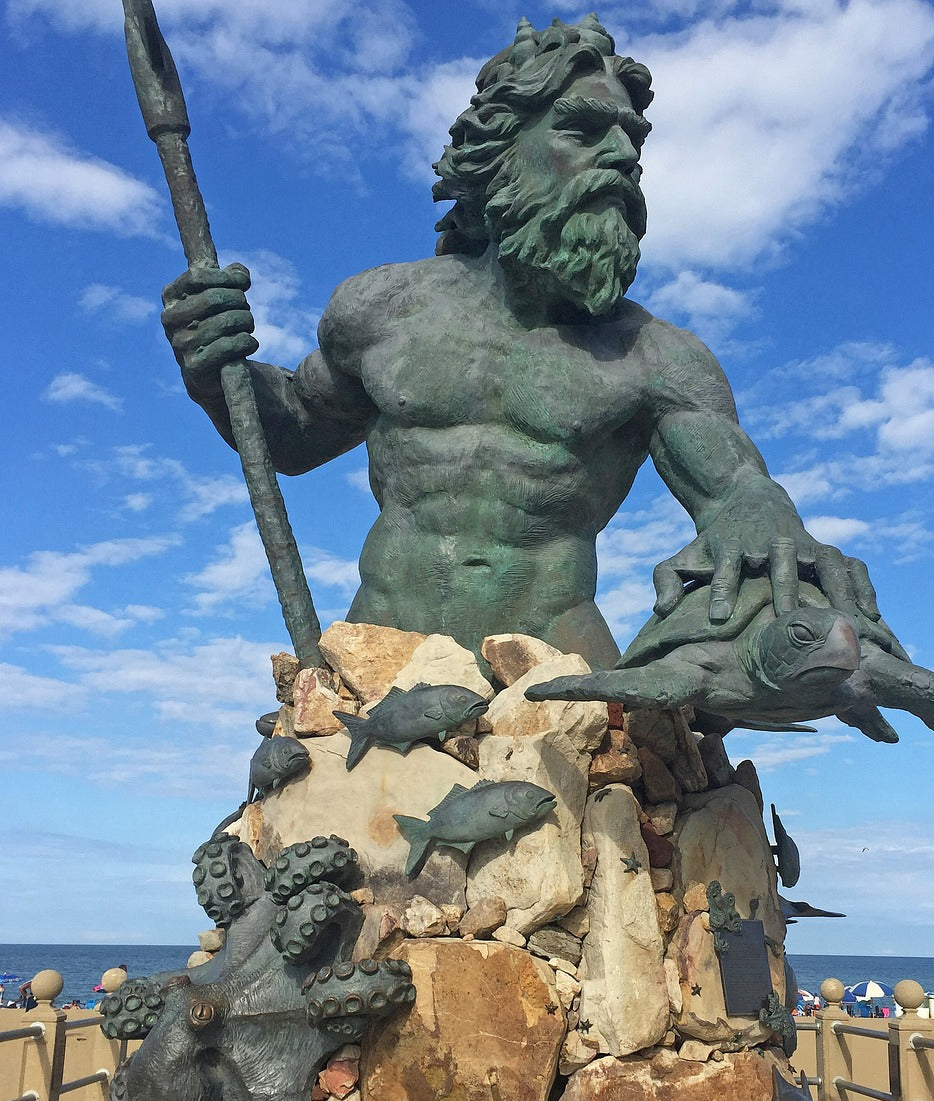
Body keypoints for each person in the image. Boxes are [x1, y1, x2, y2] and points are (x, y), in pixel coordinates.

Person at [160, 16, 882, 665]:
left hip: (555, 668)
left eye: (633, 139)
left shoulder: (655, 358)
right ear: (503, 149)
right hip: (380, 656)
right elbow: (294, 434)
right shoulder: (382, 309)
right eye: (584, 129)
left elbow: (735, 491)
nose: (624, 156)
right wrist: (214, 370)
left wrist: (763, 511)